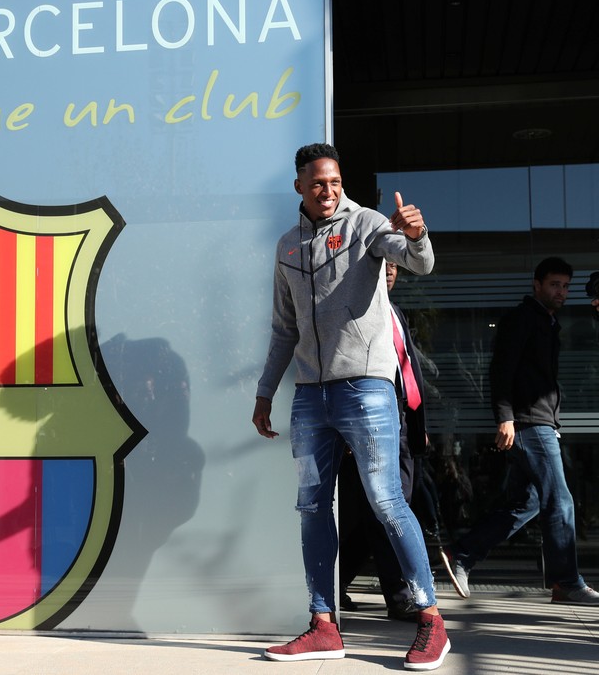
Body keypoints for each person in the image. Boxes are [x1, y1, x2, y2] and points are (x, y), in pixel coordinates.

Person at [253, 143, 449, 671]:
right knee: (312, 507)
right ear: (299, 186)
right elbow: (283, 328)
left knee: (386, 500)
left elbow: (419, 262)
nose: (328, 190)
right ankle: (323, 625)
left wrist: (415, 233)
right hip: (310, 395)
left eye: (335, 181)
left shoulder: (365, 225)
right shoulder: (287, 246)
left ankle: (431, 619)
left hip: (365, 388)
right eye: (318, 182)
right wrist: (266, 391)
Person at [440, 257, 599, 606]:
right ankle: (566, 582)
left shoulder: (548, 323)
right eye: (555, 284)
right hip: (528, 423)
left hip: (540, 422)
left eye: (566, 286)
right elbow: (501, 370)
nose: (561, 291)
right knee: (560, 500)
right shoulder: (522, 319)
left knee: (526, 503)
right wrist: (506, 417)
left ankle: (462, 555)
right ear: (537, 285)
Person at [338, 261, 430, 622]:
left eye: (394, 266)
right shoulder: (356, 311)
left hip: (401, 421)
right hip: (370, 422)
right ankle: (399, 595)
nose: (389, 270)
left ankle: (337, 582)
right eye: (382, 264)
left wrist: (416, 419)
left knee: (374, 513)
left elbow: (407, 370)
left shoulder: (394, 311)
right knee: (390, 508)